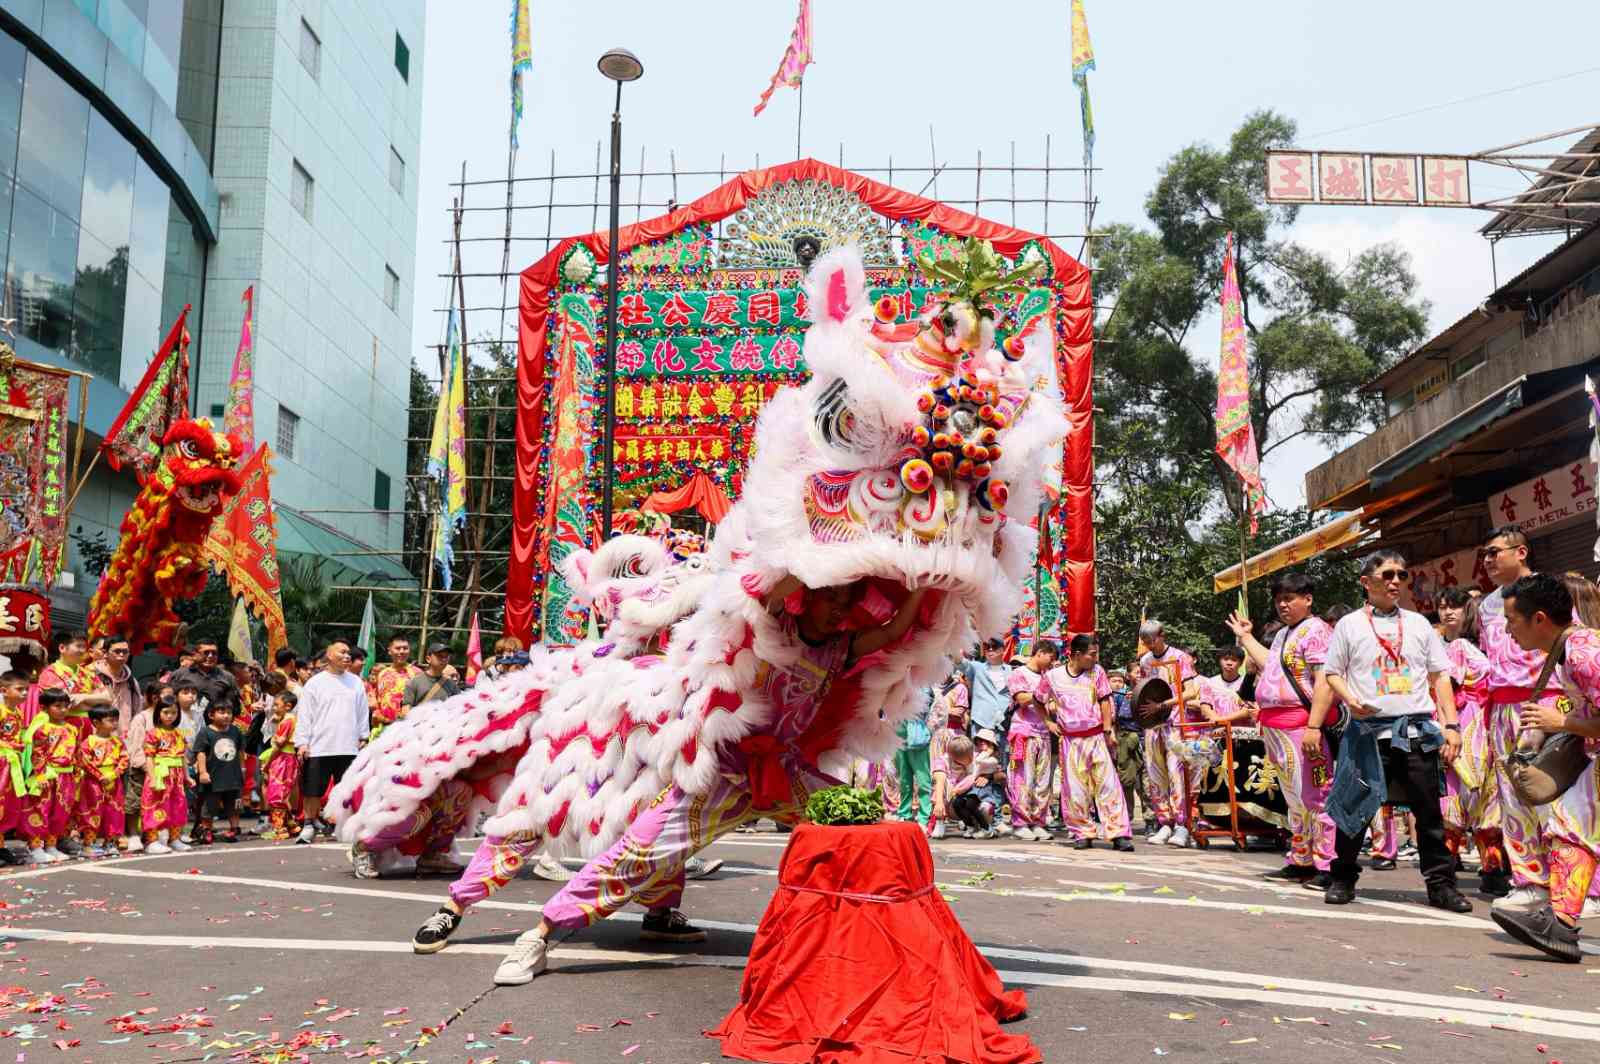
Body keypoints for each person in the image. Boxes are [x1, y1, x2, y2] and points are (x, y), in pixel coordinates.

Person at [411, 579, 931, 987]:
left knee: (863, 828)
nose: (840, 609)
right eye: (832, 596)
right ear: (808, 596)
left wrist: (933, 584)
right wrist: (802, 552)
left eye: (848, 601)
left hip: (787, 772)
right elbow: (768, 591)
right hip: (723, 774)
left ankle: (901, 942)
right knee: (639, 851)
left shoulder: (840, 648)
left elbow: (892, 633)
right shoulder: (773, 629)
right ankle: (541, 934)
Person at [1314, 549, 1470, 912]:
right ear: (1365, 582)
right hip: (1367, 732)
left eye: (1401, 574)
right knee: (1354, 809)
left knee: (1428, 814)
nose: (1396, 581)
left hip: (1416, 730)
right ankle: (1343, 878)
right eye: (1387, 575)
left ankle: (1441, 886)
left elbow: (1439, 676)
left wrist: (1451, 726)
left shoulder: (1418, 624)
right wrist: (1350, 700)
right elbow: (1332, 673)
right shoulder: (1349, 625)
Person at [1492, 573, 1600, 960]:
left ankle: (1561, 923)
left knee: (1572, 825)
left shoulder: (1584, 653)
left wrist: (1562, 722)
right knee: (1571, 826)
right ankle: (1561, 924)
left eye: (1512, 620)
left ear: (1539, 618)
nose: (1508, 631)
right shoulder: (1569, 649)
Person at [1226, 571, 1336, 889]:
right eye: (1278, 600)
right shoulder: (1284, 634)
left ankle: (1327, 864)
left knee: (1316, 796)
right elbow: (1272, 665)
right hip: (1276, 728)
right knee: (1294, 799)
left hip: (1302, 725)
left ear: (1308, 599)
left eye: (1289, 599)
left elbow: (1324, 681)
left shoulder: (1317, 630)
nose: (1283, 605)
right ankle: (1301, 859)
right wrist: (1246, 638)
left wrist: (1314, 726)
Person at [1477, 526, 1557, 915]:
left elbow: (1566, 645)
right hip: (1501, 708)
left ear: (1521, 552)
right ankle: (1529, 881)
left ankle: (1576, 882)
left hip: (1541, 702)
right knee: (1511, 796)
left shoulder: (1550, 592)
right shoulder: (1486, 606)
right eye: (1485, 554)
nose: (1488, 560)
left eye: (1495, 552)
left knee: (1551, 793)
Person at [350, 747, 521, 879]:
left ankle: (432, 855)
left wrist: (498, 766)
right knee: (416, 813)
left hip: (429, 790)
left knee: (461, 791)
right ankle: (364, 847)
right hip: (400, 786)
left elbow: (465, 772)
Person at [1435, 587, 1508, 896]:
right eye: (1443, 606)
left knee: (1484, 797)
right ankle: (1459, 870)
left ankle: (1489, 868)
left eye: (1455, 606)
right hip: (1463, 725)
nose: (1448, 612)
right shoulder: (1454, 647)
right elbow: (1444, 693)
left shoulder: (1480, 645)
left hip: (1485, 723)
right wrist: (1446, 727)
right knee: (1461, 795)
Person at [1042, 635, 1134, 851]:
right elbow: (1038, 699)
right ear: (1076, 654)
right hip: (1071, 740)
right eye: (1092, 654)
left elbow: (1105, 701)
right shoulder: (1053, 676)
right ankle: (1082, 833)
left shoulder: (1097, 672)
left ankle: (1118, 834)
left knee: (1108, 785)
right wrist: (1048, 722)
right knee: (1075, 789)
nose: (1095, 658)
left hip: (1096, 737)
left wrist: (1108, 730)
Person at [295, 641, 370, 844]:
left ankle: (344, 827)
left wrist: (364, 737)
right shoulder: (315, 683)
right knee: (312, 790)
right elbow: (305, 715)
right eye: (342, 652)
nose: (347, 656)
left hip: (349, 747)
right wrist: (302, 743)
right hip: (319, 747)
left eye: (348, 653)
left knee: (347, 790)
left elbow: (363, 712)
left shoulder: (356, 682)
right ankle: (309, 825)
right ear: (329, 655)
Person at [1135, 620, 1199, 847]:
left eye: (1152, 640)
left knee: (1175, 772)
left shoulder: (1181, 658)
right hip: (1153, 725)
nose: (1149, 645)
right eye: (1145, 641)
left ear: (1162, 635)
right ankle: (1164, 822)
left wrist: (1164, 704)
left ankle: (1182, 824)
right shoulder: (1145, 660)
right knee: (1155, 773)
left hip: (1175, 722)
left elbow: (1191, 692)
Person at [1006, 640, 1060, 841]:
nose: (1051, 662)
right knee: (1023, 778)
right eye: (1050, 658)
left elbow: (1051, 704)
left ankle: (1038, 821)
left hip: (1044, 732)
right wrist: (1042, 694)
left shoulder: (1048, 676)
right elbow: (1021, 698)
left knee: (1043, 780)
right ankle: (1020, 822)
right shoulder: (1019, 674)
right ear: (1040, 653)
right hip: (1023, 731)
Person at [22, 689, 78, 863]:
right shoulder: (42, 729)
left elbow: (75, 753)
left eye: (65, 706)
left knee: (60, 812)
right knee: (41, 810)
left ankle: (51, 845)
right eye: (57, 706)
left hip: (66, 777)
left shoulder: (72, 729)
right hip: (47, 774)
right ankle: (35, 847)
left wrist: (76, 772)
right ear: (44, 708)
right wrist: (40, 775)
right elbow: (37, 753)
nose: (63, 710)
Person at [38, 632, 111, 737]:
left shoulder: (88, 673)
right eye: (78, 646)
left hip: (87, 729)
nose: (82, 650)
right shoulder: (50, 673)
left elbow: (108, 698)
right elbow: (66, 703)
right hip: (59, 730)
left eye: (84, 647)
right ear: (62, 648)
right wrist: (94, 701)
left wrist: (83, 697)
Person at [76, 706, 128, 856]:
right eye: (111, 720)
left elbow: (124, 759)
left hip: (114, 782)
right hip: (93, 783)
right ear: (96, 722)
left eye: (116, 720)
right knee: (92, 811)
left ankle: (110, 842)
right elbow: (84, 761)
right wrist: (100, 776)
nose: (115, 723)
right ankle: (89, 844)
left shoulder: (118, 742)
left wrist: (113, 775)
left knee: (114, 812)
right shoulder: (88, 742)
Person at [140, 697, 190, 854]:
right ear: (158, 713)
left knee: (177, 806)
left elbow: (183, 758)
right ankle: (152, 841)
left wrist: (187, 776)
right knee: (155, 806)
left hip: (177, 777)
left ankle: (174, 839)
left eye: (174, 713)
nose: (170, 716)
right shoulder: (153, 734)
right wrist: (152, 778)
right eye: (166, 712)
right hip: (160, 775)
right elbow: (149, 757)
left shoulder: (179, 734)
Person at [192, 701, 245, 845]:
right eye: (222, 712)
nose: (226, 716)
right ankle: (207, 830)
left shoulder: (235, 731)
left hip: (233, 777)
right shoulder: (205, 732)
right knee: (209, 806)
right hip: (213, 778)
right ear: (211, 715)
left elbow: (240, 751)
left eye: (229, 713)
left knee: (234, 806)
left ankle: (234, 829)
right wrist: (203, 772)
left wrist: (243, 769)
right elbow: (201, 753)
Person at [957, 639, 1013, 754]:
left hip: (1004, 724)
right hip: (982, 722)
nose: (990, 649)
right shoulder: (977, 668)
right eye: (987, 646)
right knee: (981, 759)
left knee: (1003, 759)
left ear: (1002, 649)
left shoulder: (1010, 670)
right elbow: (959, 662)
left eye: (994, 646)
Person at [261, 689, 302, 840]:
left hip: (282, 760)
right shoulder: (291, 719)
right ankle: (292, 825)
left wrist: (267, 764)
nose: (274, 707)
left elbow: (279, 745)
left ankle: (280, 829)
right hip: (288, 759)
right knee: (282, 794)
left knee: (276, 794)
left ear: (288, 706)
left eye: (276, 705)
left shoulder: (287, 721)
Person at [933, 736, 990, 837]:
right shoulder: (943, 760)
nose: (971, 758)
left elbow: (997, 772)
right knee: (943, 784)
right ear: (953, 757)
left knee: (983, 799)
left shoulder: (978, 757)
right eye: (967, 756)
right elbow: (940, 779)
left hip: (971, 798)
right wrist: (939, 802)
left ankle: (976, 824)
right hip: (951, 802)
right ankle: (939, 821)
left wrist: (987, 776)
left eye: (971, 754)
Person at [893, 687, 934, 828]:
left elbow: (922, 708)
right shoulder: (896, 682)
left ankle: (924, 818)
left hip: (918, 738)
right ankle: (904, 813)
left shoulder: (924, 685)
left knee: (923, 781)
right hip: (899, 736)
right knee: (904, 780)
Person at [0, 673, 29, 862]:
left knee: (8, 805)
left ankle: (1, 846)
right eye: (20, 689)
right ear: (4, 690)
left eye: (26, 689)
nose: (25, 693)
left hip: (12, 764)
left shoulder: (18, 713)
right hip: (1, 762)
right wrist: (9, 746)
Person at [91, 635, 142, 738]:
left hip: (124, 740)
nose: (121, 655)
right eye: (117, 651)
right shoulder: (91, 675)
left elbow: (137, 711)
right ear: (105, 653)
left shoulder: (131, 681)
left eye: (125, 652)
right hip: (96, 739)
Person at [169, 640, 239, 714]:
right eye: (206, 652)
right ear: (195, 655)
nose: (210, 656)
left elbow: (234, 705)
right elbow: (169, 700)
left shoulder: (227, 677)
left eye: (214, 653)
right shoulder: (180, 674)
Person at [369, 636, 422, 732]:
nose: (402, 651)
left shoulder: (417, 673)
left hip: (409, 729)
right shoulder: (382, 674)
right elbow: (376, 699)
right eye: (398, 648)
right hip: (384, 728)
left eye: (405, 648)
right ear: (389, 651)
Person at [403, 644, 461, 712]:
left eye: (446, 657)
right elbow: (406, 710)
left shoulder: (452, 685)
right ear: (428, 659)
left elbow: (458, 708)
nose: (444, 659)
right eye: (440, 656)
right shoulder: (414, 682)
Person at [970, 729, 1007, 835]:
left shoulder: (995, 758)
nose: (982, 742)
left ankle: (997, 820)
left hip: (989, 788)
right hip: (974, 786)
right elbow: (977, 763)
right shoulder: (974, 755)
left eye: (986, 741)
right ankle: (975, 822)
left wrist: (988, 777)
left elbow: (1003, 775)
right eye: (979, 740)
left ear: (992, 744)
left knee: (995, 789)